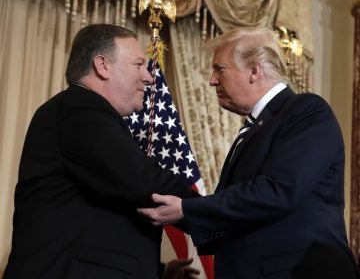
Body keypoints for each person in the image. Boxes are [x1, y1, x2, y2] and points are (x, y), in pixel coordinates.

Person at [138, 26, 360, 278]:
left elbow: (278, 191)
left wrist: (187, 210)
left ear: (254, 70)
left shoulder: (306, 111)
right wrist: (176, 209)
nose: (212, 80)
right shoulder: (258, 126)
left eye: (219, 69)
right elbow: (239, 209)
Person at [3, 24, 200, 279]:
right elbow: (140, 181)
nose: (149, 77)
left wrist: (158, 272)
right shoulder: (79, 108)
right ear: (102, 65)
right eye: (138, 64)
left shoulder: (83, 114)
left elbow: (88, 222)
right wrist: (213, 212)